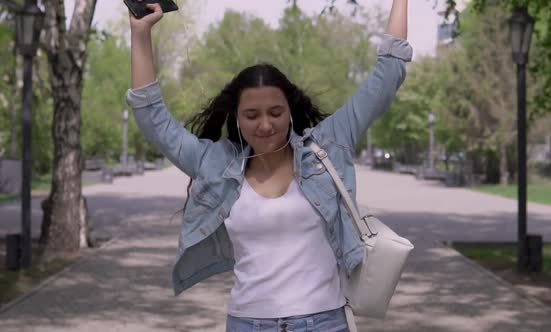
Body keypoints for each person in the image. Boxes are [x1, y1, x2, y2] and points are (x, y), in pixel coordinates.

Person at [126, 0, 411, 331]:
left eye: (275, 113)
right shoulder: (215, 163)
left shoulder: (327, 146)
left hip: (324, 322)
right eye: (252, 115)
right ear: (236, 117)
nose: (265, 125)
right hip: (247, 323)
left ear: (290, 110)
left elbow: (388, 73)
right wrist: (141, 33)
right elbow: (152, 118)